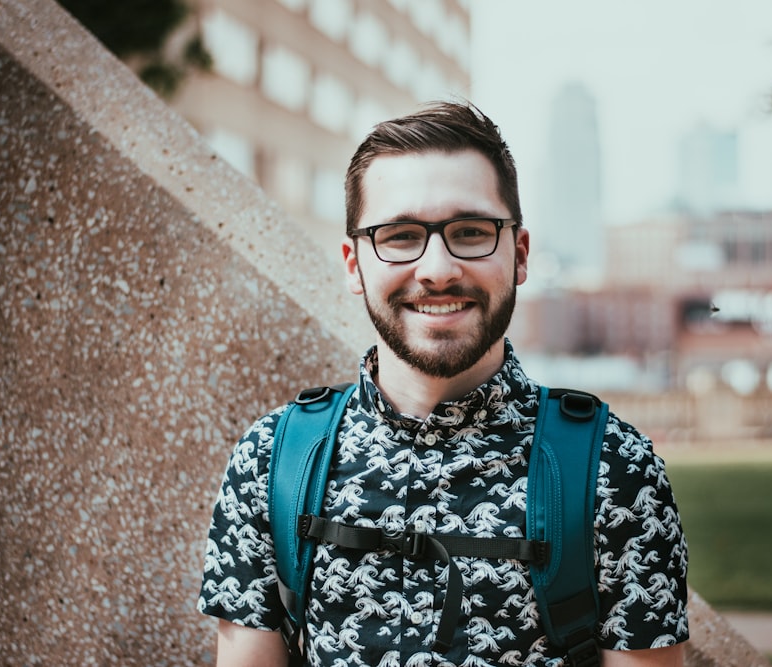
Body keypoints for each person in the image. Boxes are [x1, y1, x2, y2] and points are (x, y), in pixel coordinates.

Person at [198, 101, 689, 666]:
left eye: (471, 231)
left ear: (520, 254)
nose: (437, 269)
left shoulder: (614, 469)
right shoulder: (271, 461)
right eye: (401, 235)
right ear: (355, 265)